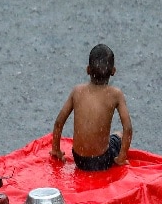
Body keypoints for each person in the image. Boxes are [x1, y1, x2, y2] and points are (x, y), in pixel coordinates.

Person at [50, 43, 133, 171]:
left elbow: (58, 123)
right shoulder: (116, 94)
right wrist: (121, 158)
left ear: (88, 69)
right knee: (119, 134)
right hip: (101, 161)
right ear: (113, 71)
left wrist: (56, 150)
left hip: (79, 159)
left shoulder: (77, 91)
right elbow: (127, 128)